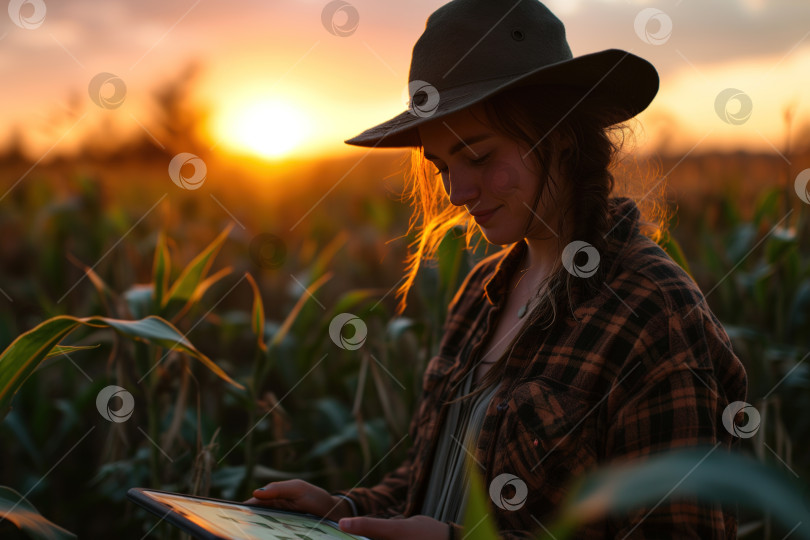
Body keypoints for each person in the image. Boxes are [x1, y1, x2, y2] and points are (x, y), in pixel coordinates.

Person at [245, 0, 749, 538]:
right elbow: (435, 482)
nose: (457, 194)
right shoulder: (480, 293)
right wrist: (344, 510)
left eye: (479, 158)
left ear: (559, 136)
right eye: (442, 167)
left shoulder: (653, 312)